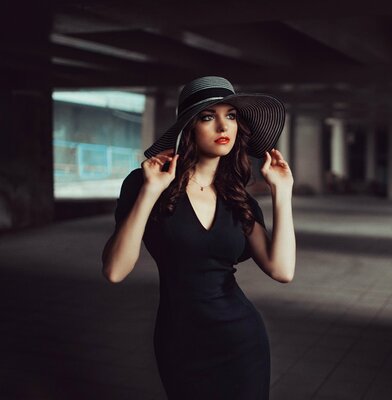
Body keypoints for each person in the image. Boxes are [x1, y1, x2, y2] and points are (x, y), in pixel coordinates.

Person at [101, 76, 296, 399]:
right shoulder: (145, 183)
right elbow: (114, 271)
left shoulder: (238, 199)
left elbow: (282, 270)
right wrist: (150, 192)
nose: (223, 126)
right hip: (181, 343)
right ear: (189, 128)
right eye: (209, 117)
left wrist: (282, 192)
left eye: (230, 116)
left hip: (241, 341)